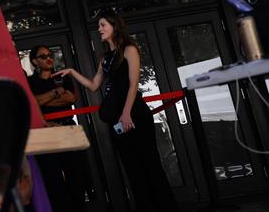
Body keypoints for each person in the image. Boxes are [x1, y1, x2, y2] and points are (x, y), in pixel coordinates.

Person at [55, 11, 177, 212]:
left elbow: (133, 85)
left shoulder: (129, 49)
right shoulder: (106, 58)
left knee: (150, 164)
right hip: (118, 120)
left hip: (135, 114)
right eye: (99, 26)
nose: (99, 29)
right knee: (132, 168)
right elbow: (94, 85)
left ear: (114, 26)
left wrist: (127, 113)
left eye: (103, 25)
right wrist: (72, 72)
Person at [28, 45, 87, 212]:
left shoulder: (62, 76)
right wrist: (55, 93)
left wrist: (44, 100)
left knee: (76, 176)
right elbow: (34, 103)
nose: (48, 58)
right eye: (43, 56)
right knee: (53, 180)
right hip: (45, 132)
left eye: (50, 54)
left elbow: (70, 98)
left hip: (68, 127)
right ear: (35, 61)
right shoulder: (30, 82)